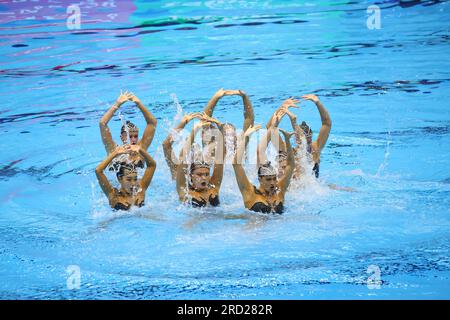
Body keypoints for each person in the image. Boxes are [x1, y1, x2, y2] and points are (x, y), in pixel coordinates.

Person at [265, 94, 332, 179]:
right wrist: (282, 107)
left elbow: (327, 124)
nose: (307, 141)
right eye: (303, 138)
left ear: (311, 137)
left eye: (308, 138)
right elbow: (269, 128)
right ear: (295, 137)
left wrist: (318, 103)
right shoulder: (286, 150)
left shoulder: (315, 149)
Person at [233, 125, 295, 214]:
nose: (273, 182)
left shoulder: (280, 190)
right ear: (260, 179)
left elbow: (291, 166)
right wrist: (245, 139)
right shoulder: (250, 193)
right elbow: (236, 164)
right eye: (268, 179)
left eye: (274, 178)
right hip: (255, 227)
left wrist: (287, 141)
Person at [176, 116, 226, 207]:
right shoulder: (185, 192)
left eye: (207, 174)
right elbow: (183, 158)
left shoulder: (213, 187)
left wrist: (221, 131)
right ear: (191, 176)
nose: (204, 178)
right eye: (199, 174)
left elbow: (220, 158)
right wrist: (195, 130)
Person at [99, 91, 158, 167]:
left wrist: (139, 103)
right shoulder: (113, 150)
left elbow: (153, 123)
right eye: (130, 136)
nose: (133, 140)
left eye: (135, 136)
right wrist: (117, 104)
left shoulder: (141, 149)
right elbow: (102, 124)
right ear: (122, 137)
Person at [95, 144, 157, 210]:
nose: (133, 183)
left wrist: (140, 149)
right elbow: (98, 171)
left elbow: (152, 165)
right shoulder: (113, 195)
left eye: (135, 179)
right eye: (129, 179)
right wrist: (115, 153)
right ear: (119, 179)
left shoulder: (140, 190)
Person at [202, 88, 255, 159]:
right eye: (227, 135)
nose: (230, 139)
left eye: (232, 135)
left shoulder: (240, 147)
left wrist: (245, 97)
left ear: (236, 137)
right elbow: (204, 121)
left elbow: (249, 119)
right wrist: (215, 97)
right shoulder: (212, 151)